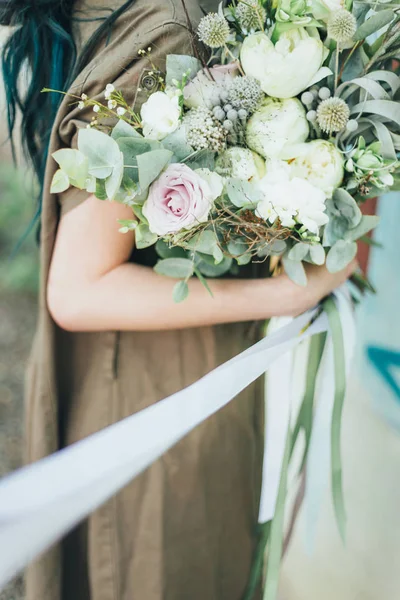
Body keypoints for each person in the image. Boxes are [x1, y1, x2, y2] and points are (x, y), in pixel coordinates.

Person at [0, 1, 356, 599]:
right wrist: (289, 291)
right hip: (149, 388)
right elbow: (79, 290)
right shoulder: (173, 29)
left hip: (171, 368)